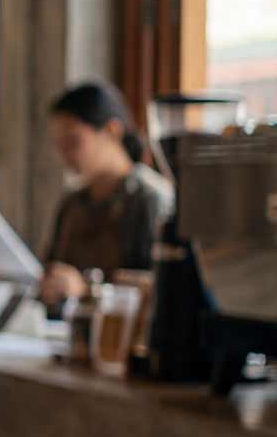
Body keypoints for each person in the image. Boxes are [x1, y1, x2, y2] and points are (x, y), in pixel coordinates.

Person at [38, 82, 175, 304]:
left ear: (112, 130)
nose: (64, 154)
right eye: (58, 144)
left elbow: (162, 288)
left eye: (73, 141)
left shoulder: (151, 199)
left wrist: (87, 290)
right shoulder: (72, 203)